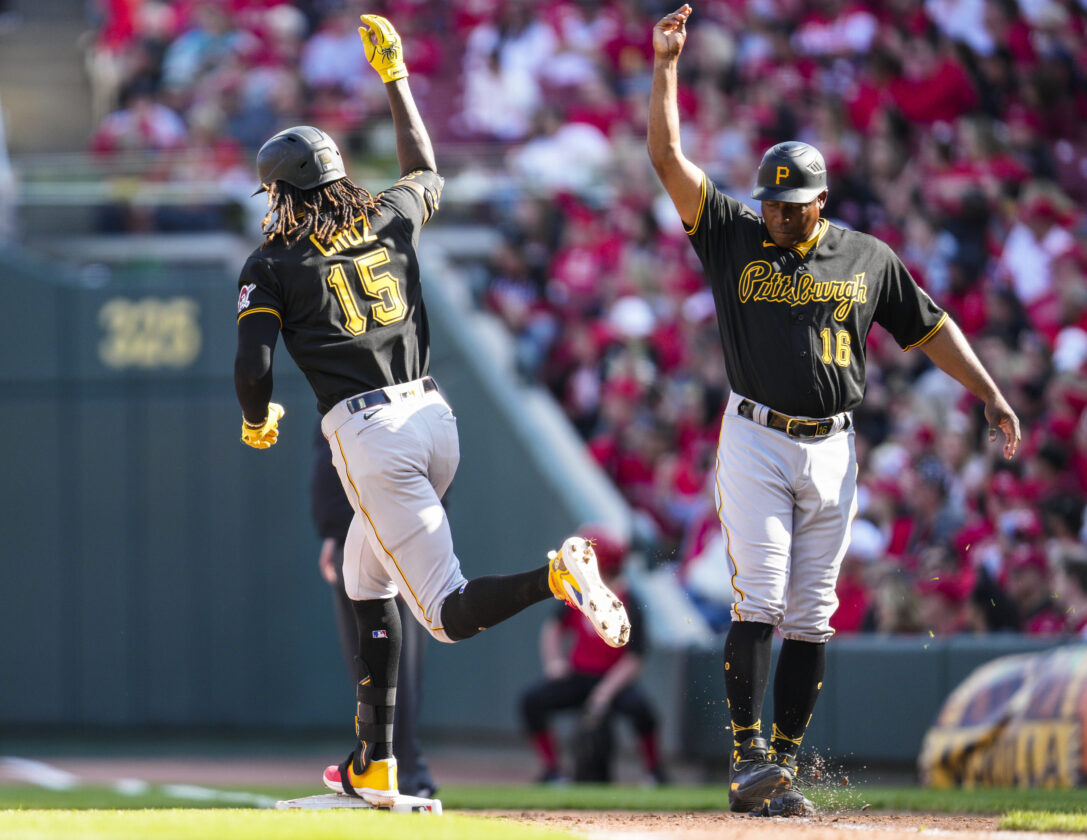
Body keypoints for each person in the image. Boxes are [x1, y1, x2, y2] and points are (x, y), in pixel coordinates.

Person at [233, 14, 630, 807]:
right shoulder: (385, 217)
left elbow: (253, 367)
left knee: (444, 614)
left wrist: (255, 419)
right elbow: (425, 167)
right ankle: (375, 762)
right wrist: (396, 79)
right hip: (433, 417)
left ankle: (557, 574)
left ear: (281, 191)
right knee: (364, 580)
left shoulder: (272, 261)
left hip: (370, 434)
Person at [647, 5, 1021, 818]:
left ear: (820, 200)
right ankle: (747, 756)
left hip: (833, 447)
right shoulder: (733, 233)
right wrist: (666, 67)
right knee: (758, 598)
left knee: (812, 614)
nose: (777, 213)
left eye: (791, 203)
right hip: (755, 436)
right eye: (771, 201)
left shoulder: (866, 257)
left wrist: (989, 394)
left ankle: (780, 769)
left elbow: (929, 328)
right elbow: (667, 158)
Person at [310, 425, 436, 798]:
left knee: (389, 666)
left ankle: (404, 770)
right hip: (362, 535)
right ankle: (385, 766)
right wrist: (334, 534)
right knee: (372, 666)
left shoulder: (386, 402)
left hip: (386, 535)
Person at [520, 526, 666, 786]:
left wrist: (604, 693)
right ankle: (552, 771)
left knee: (643, 712)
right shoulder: (578, 595)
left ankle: (654, 773)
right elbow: (552, 628)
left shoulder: (628, 601)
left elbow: (635, 657)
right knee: (532, 701)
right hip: (579, 674)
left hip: (613, 680)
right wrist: (554, 662)